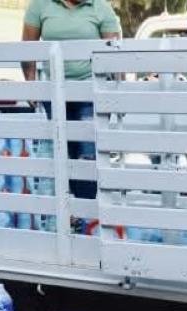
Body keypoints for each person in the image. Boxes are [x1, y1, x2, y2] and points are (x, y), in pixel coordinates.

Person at [22, 0, 121, 201]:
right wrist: (30, 85)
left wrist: (114, 93)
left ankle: (87, 212)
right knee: (61, 153)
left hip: (89, 93)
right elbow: (27, 49)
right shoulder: (40, 5)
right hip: (54, 93)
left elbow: (113, 55)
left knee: (87, 155)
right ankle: (64, 213)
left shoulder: (100, 7)